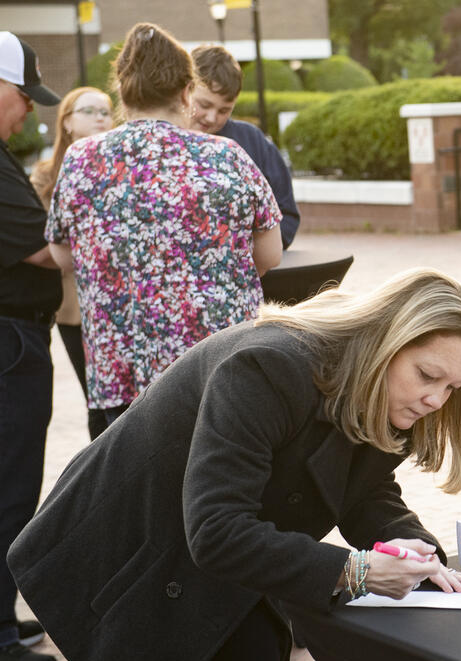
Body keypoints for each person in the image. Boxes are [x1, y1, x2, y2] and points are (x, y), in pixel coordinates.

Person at [8, 267, 461, 661]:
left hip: (229, 566)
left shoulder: (386, 394)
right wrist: (354, 570)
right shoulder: (268, 366)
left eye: (451, 388)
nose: (435, 401)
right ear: (385, 341)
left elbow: (363, 487)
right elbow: (216, 530)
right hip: (130, 560)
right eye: (427, 375)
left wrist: (412, 545)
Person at [45, 22, 283, 434]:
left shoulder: (82, 160)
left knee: (133, 494)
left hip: (122, 373)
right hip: (217, 366)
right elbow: (270, 254)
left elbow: (62, 254)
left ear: (122, 91)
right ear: (186, 92)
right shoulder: (227, 155)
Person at [0, 30, 61, 661]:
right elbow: (45, 250)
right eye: (23, 96)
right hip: (10, 340)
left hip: (14, 337)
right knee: (9, 490)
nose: (29, 111)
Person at [30, 86, 114, 440]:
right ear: (66, 122)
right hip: (72, 308)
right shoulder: (45, 175)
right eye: (90, 111)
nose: (100, 118)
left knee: (118, 403)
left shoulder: (118, 166)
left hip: (116, 302)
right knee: (96, 400)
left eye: (106, 111)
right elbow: (44, 240)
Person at [189, 44, 301, 249]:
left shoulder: (252, 140)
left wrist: (252, 254)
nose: (212, 117)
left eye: (224, 110)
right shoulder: (164, 141)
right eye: (204, 105)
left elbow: (287, 214)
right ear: (185, 90)